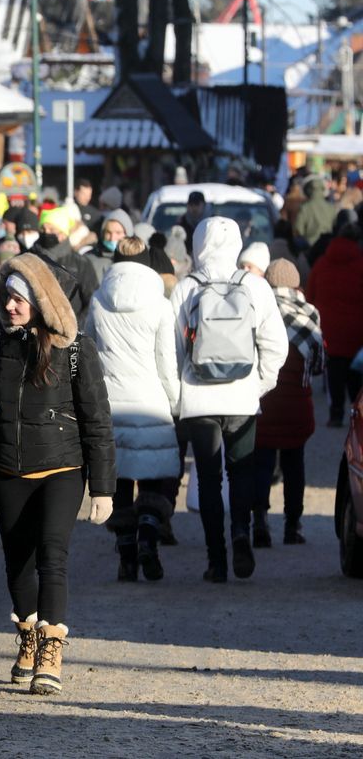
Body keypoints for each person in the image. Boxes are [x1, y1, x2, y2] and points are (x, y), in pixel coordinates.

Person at [0, 253, 115, 695]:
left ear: (40, 300)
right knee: (17, 561)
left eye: (20, 299)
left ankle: (51, 650)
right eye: (8, 298)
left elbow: (97, 418)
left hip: (61, 467)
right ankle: (28, 637)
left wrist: (103, 488)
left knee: (51, 556)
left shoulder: (74, 349)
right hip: (8, 468)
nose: (11, 306)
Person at [170, 218, 288, 583]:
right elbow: (276, 345)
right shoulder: (254, 285)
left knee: (207, 480)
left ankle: (216, 560)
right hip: (242, 397)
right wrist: (259, 385)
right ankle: (241, 531)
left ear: (198, 244)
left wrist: (177, 395)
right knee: (242, 471)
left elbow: (170, 348)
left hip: (198, 398)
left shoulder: (185, 288)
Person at [85, 237, 180, 582]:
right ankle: (149, 538)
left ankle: (126, 555)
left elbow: (89, 354)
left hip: (110, 404)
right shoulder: (160, 303)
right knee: (156, 479)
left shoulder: (98, 300)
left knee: (118, 479)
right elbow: (166, 362)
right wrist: (174, 401)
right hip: (150, 401)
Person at [254, 259, 324, 546]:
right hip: (297, 405)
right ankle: (293, 525)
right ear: (296, 283)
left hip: (265, 403)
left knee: (261, 464)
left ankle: (259, 520)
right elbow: (319, 364)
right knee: (295, 465)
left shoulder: (258, 310)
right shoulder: (310, 314)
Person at [304, 223, 363, 427]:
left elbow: (310, 296)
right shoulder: (360, 263)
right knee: (356, 376)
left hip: (329, 330)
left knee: (335, 375)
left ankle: (336, 414)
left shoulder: (322, 263)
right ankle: (358, 416)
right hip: (357, 331)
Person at [32, 206, 99, 324]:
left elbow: (92, 299)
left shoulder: (80, 263)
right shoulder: (30, 257)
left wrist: (76, 328)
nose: (46, 233)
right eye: (43, 228)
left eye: (52, 229)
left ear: (63, 234)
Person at [86, 208, 134, 282]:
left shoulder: (135, 262)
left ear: (128, 234)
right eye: (108, 232)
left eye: (118, 233)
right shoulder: (89, 258)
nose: (112, 238)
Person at [294, 176, 336, 248]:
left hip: (309, 248)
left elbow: (298, 230)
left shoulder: (304, 208)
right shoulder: (331, 208)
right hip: (328, 247)